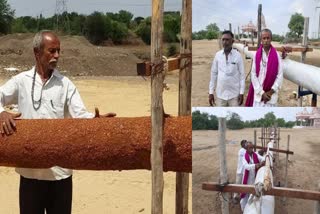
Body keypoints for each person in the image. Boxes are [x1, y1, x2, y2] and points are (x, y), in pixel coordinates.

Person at [0, 30, 115, 214]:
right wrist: (1, 113)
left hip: (60, 175)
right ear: (37, 52)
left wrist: (95, 121)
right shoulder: (21, 81)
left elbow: (79, 115)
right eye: (52, 51)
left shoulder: (65, 84)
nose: (57, 55)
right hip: (30, 174)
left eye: (59, 51)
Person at [245, 28, 283, 107]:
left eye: (268, 38)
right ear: (261, 40)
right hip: (259, 96)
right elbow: (253, 74)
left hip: (270, 97)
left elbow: (280, 76)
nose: (266, 40)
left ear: (271, 39)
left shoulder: (277, 56)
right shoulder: (257, 55)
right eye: (264, 38)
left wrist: (271, 92)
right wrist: (262, 93)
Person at [208, 30, 245, 107]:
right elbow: (213, 74)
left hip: (234, 95)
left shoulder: (238, 56)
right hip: (220, 95)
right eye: (223, 40)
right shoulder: (218, 55)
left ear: (232, 41)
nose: (225, 42)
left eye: (227, 40)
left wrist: (241, 93)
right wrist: (211, 92)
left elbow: (242, 75)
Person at [240, 141, 265, 211]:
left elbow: (262, 158)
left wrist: (264, 161)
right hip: (247, 179)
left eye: (252, 148)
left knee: (252, 194)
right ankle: (243, 209)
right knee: (244, 196)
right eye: (250, 148)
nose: (251, 149)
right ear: (247, 148)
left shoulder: (255, 155)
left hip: (254, 178)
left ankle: (250, 209)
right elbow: (246, 166)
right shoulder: (244, 157)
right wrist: (256, 165)